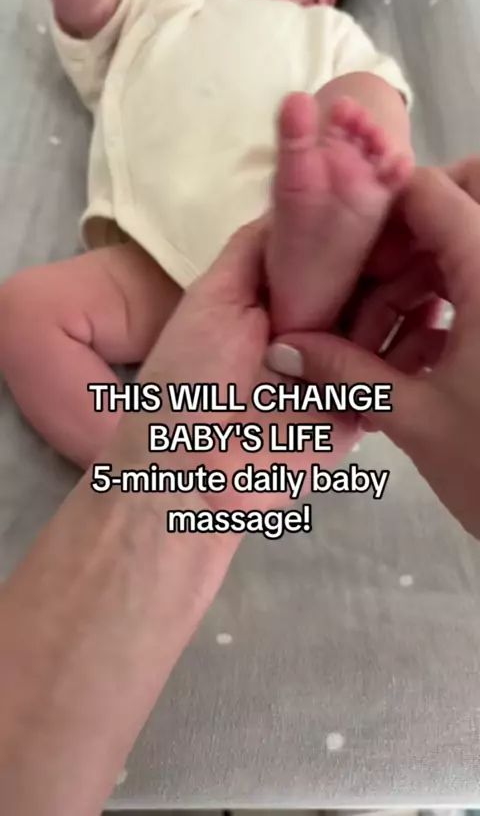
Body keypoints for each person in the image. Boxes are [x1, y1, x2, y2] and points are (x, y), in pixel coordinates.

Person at [2, 155, 480, 815]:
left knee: (352, 139)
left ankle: (318, 249)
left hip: (305, 235)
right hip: (175, 246)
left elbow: (384, 131)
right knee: (24, 309)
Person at [0, 0, 412, 468]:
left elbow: (378, 92)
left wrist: (371, 131)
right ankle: (152, 470)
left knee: (365, 94)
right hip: (156, 259)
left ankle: (341, 214)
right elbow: (82, 4)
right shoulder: (149, 7)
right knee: (22, 312)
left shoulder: (327, 31)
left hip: (271, 245)